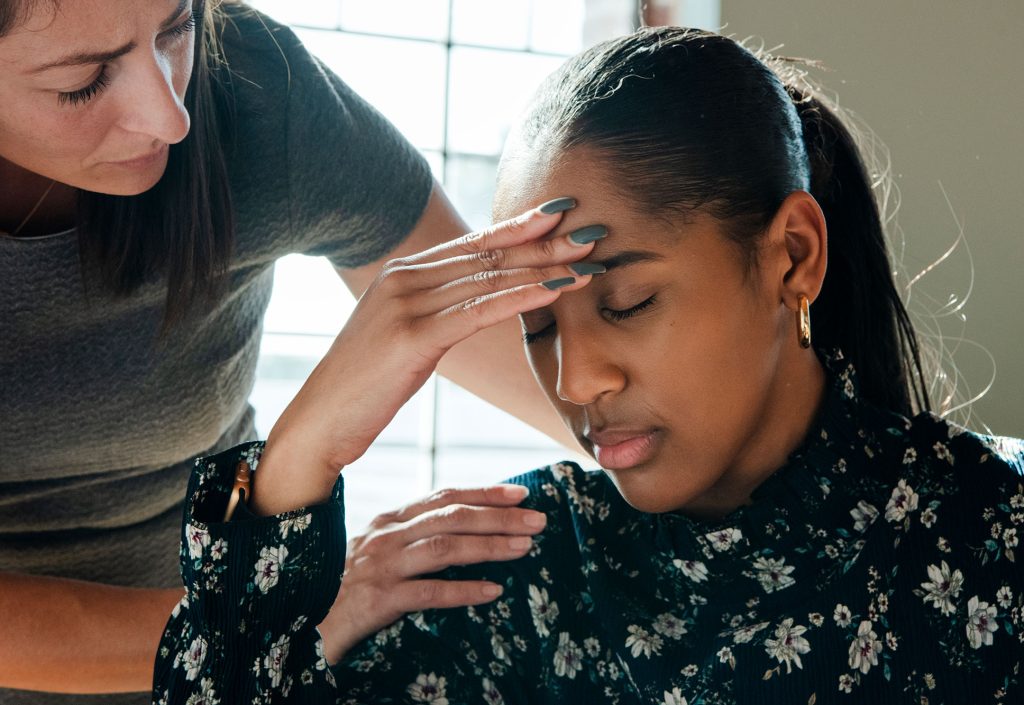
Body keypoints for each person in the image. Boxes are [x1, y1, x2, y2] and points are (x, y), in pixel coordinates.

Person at [152, 25, 1024, 705]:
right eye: (536, 327)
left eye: (626, 304)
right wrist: (303, 453)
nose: (573, 383)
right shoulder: (505, 575)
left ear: (791, 256)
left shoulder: (997, 529)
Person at [0, 1, 592, 702]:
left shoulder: (251, 84)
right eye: (85, 82)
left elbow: (497, 327)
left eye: (176, 29)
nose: (171, 116)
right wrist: (277, 615)